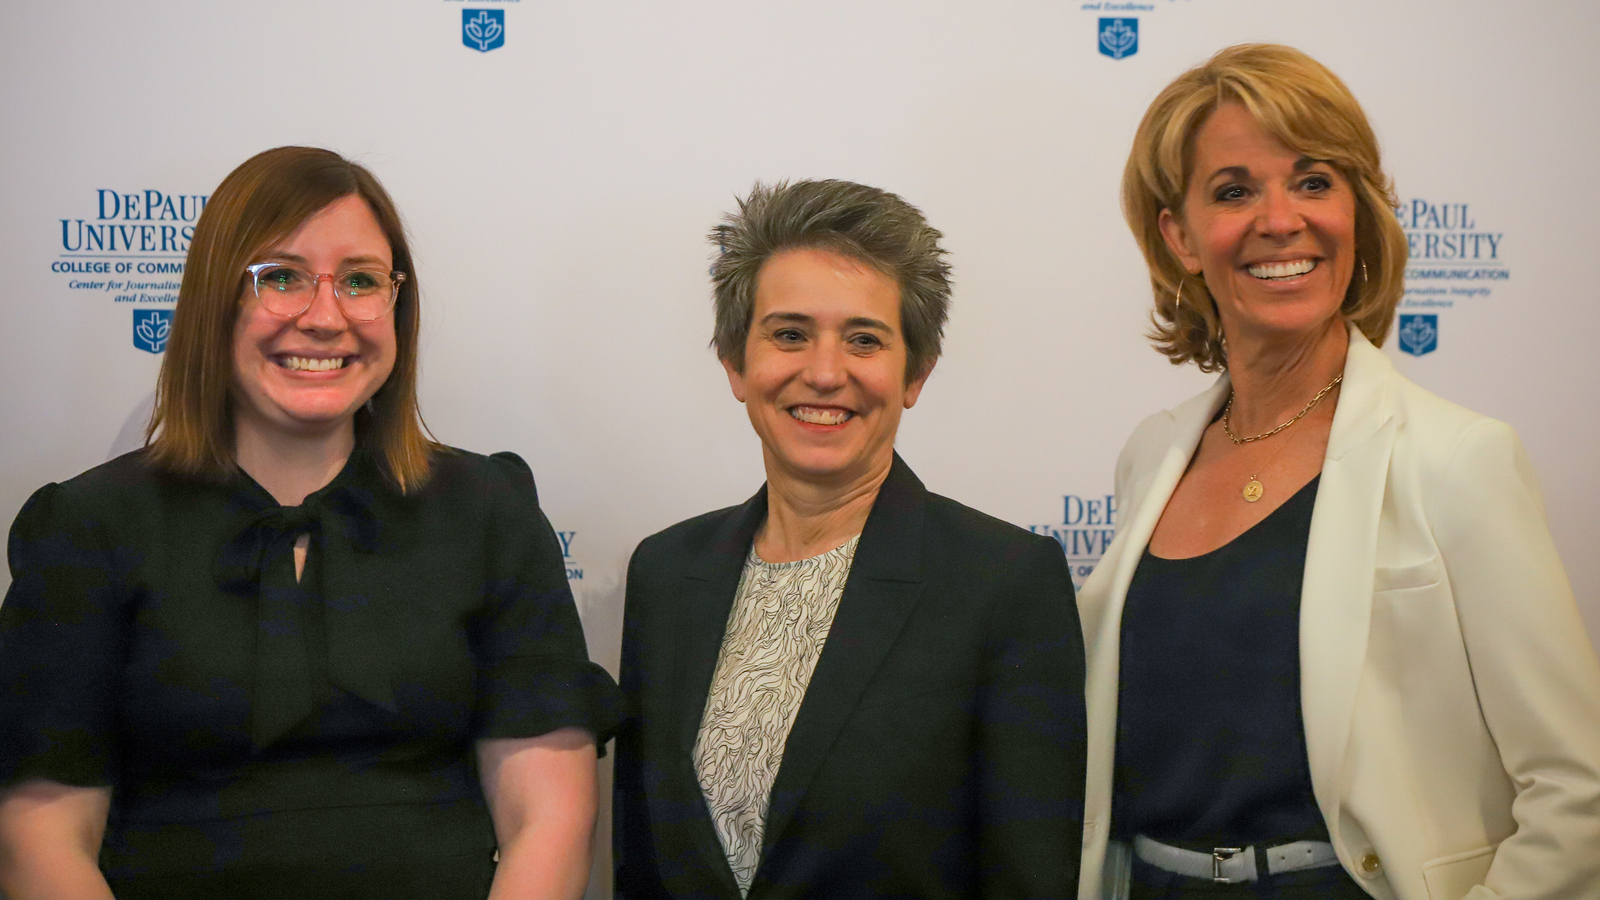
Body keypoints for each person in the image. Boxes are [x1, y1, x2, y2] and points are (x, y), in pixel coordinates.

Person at [0, 147, 620, 899]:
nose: (325, 318)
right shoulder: (90, 526)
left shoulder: (488, 510)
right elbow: (43, 834)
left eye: (361, 281)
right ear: (212, 301)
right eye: (280, 278)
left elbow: (548, 818)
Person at [1076, 44, 1600, 900]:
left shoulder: (1456, 457)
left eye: (1314, 181)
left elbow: (1578, 790)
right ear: (1179, 236)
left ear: (1359, 212)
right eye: (1234, 190)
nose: (1281, 219)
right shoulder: (1150, 455)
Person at [613, 179, 1086, 899]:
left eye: (864, 339)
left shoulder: (1004, 582)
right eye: (790, 334)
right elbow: (643, 866)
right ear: (737, 364)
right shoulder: (666, 571)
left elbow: (1028, 877)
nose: (825, 372)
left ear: (915, 374)